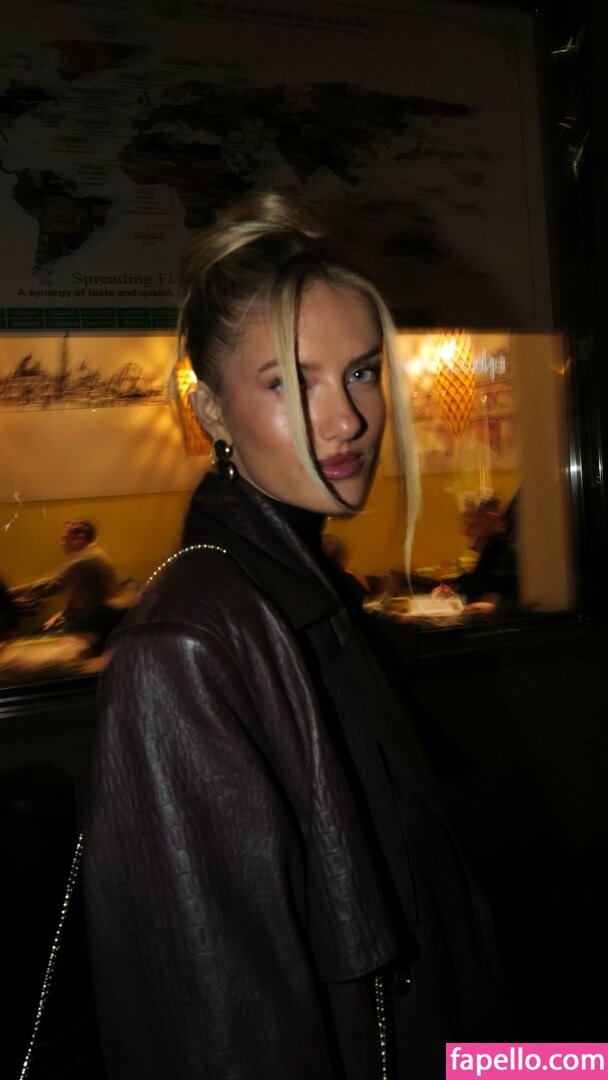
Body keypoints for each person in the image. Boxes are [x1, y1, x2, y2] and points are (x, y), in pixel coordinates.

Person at [84, 193, 508, 1080]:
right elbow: (222, 1032)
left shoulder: (310, 597)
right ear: (210, 411)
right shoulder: (187, 649)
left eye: (361, 372)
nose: (348, 419)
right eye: (289, 381)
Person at [9, 519, 121, 642]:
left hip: (90, 631)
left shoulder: (86, 560)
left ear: (80, 538)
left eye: (65, 538)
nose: (61, 543)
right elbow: (87, 600)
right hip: (94, 624)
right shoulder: (94, 554)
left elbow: (52, 585)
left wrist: (15, 592)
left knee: (25, 645)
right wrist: (59, 615)